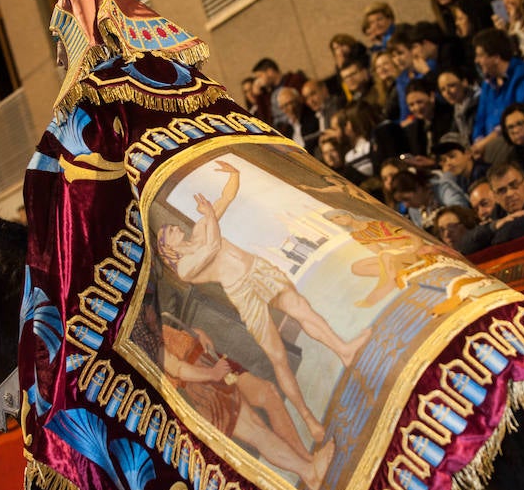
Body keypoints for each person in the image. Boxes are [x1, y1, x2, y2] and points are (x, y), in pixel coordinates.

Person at [156, 160, 369, 443]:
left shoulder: (199, 229)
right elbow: (214, 247)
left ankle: (343, 350)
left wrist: (233, 175)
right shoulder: (184, 267)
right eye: (168, 231)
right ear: (167, 248)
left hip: (258, 270)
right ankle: (308, 419)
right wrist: (208, 215)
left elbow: (226, 198)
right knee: (278, 356)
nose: (173, 227)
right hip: (242, 291)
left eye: (171, 226)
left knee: (302, 309)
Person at [161, 323, 333, 490]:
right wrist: (212, 374)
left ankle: (308, 460)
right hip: (202, 383)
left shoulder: (149, 315)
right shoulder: (142, 334)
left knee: (268, 393)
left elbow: (174, 340)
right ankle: (309, 473)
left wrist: (196, 333)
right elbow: (176, 368)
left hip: (209, 361)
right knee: (256, 429)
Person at [323, 210, 440, 306]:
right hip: (396, 254)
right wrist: (390, 255)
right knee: (357, 267)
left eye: (337, 217)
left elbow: (413, 236)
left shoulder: (377, 223)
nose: (337, 221)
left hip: (411, 247)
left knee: (386, 256)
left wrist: (416, 250)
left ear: (347, 214)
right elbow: (378, 252)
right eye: (333, 220)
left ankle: (392, 282)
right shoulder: (357, 235)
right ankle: (395, 275)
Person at [471, 28, 524, 164]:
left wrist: (486, 143)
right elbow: (480, 119)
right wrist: (478, 141)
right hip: (488, 144)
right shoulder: (487, 83)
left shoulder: (522, 73)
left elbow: (521, 113)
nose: (477, 60)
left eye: (480, 55)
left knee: (494, 150)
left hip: (513, 137)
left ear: (496, 57)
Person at [459, 161, 524, 252]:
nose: (509, 194)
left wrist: (492, 238)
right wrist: (494, 225)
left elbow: (510, 233)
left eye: (514, 185)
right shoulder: (497, 212)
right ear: (495, 197)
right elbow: (464, 246)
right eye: (501, 190)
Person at [390, 169, 470, 230]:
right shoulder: (413, 210)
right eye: (402, 201)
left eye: (406, 199)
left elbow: (462, 210)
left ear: (418, 187)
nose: (406, 205)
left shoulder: (443, 189)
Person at [402, 78, 453, 160]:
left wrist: (433, 162)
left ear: (431, 97)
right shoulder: (415, 128)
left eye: (420, 102)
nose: (417, 108)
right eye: (411, 105)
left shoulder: (449, 117)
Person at [250, 57, 308, 126]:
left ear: (270, 72)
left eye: (259, 76)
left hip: (298, 124)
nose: (257, 82)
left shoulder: (294, 80)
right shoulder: (267, 94)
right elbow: (265, 119)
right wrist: (259, 96)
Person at [437, 67, 481, 142]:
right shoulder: (456, 110)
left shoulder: (479, 101)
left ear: (464, 82)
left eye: (451, 85)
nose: (447, 92)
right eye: (443, 89)